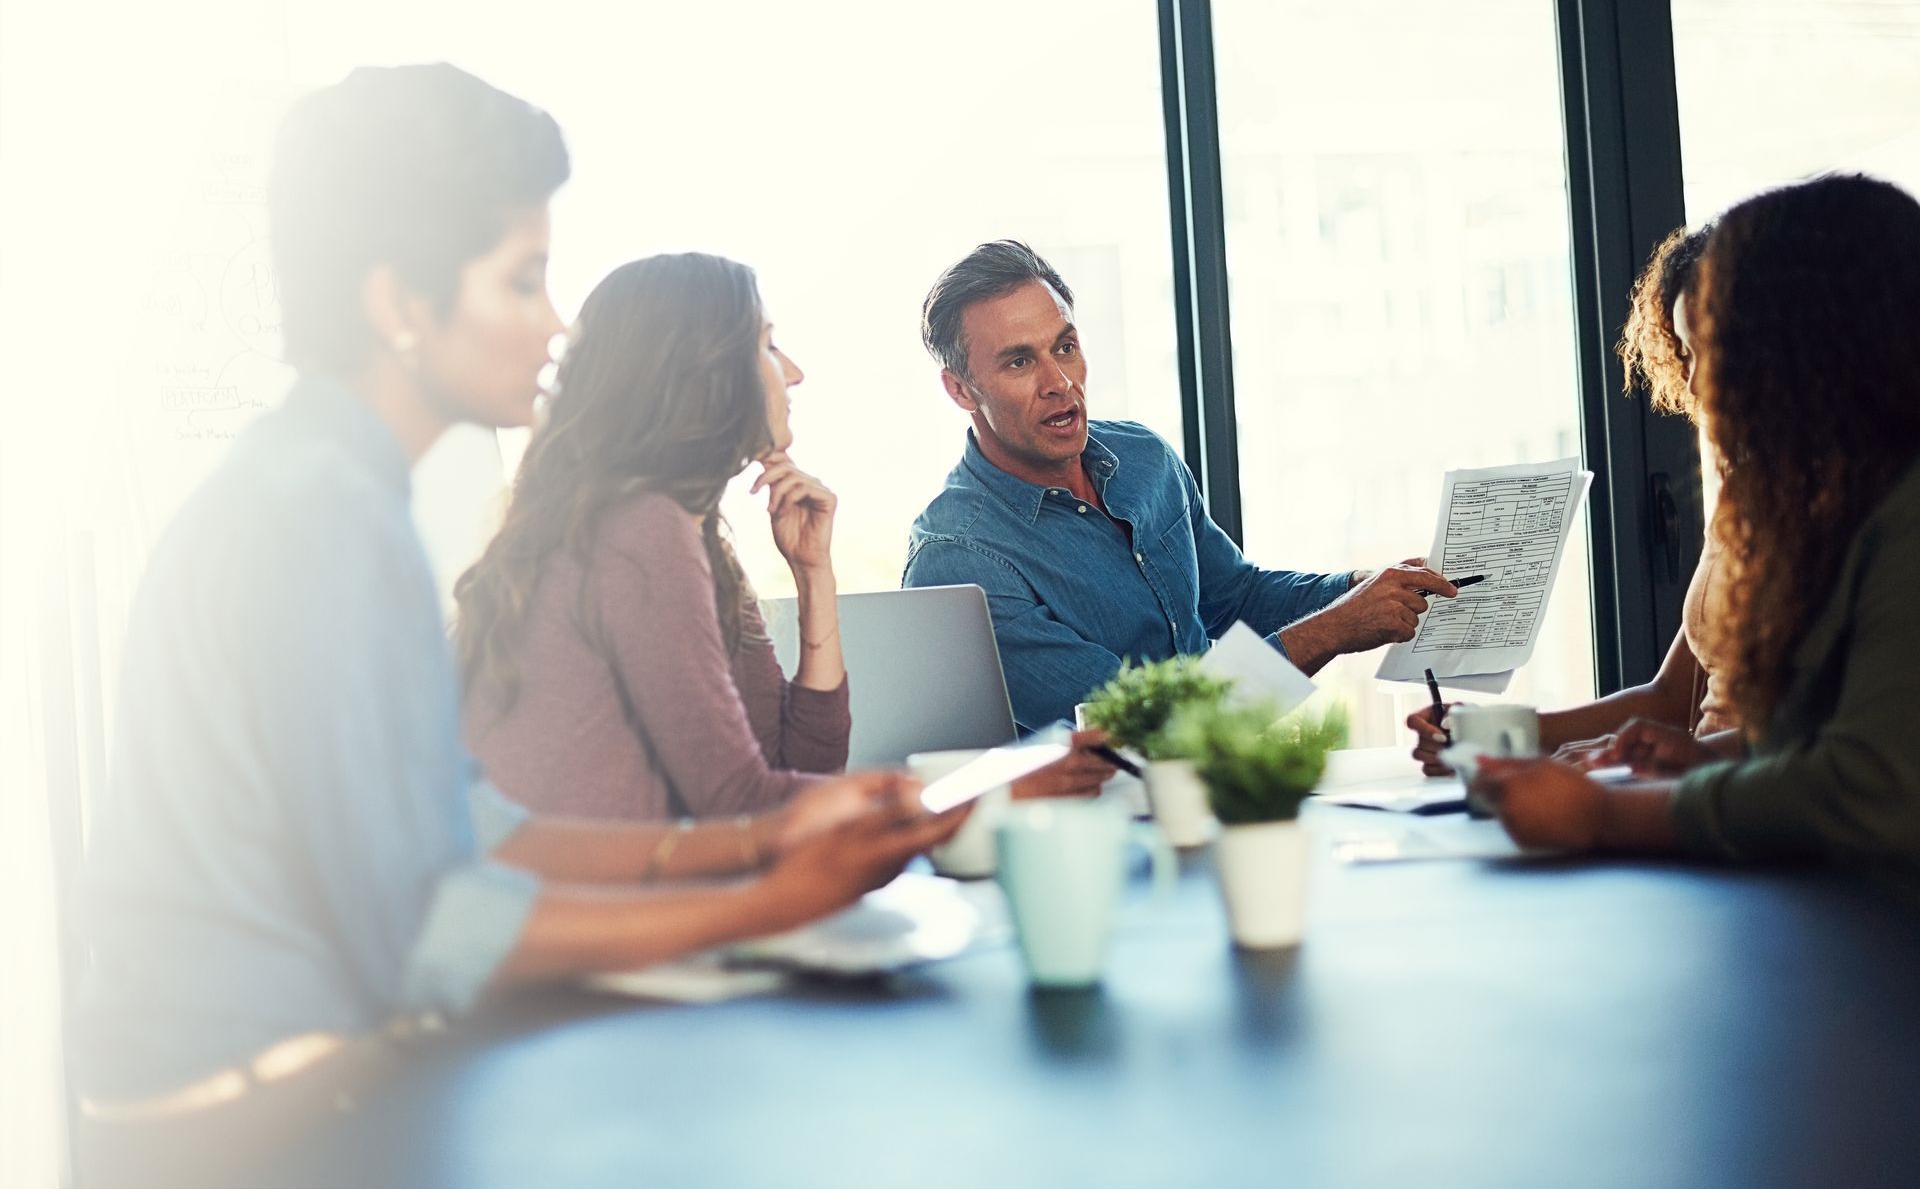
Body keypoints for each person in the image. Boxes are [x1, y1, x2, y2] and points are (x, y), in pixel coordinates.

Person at [74, 65, 967, 1189]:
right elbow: (425, 932)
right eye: (522, 279)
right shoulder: (323, 521)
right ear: (400, 303)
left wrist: (759, 841)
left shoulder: (325, 487)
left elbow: (466, 821)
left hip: (285, 1071)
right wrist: (756, 899)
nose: (555, 323)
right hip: (252, 1111)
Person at [455, 253, 1113, 821]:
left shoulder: (694, 537)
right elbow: (746, 811)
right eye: (767, 345)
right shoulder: (641, 533)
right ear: (700, 375)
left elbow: (800, 767)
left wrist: (813, 580)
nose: (793, 372)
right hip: (608, 938)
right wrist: (983, 793)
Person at [1471, 174, 1920, 903]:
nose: (1706, 383)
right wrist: (1713, 755)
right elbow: (1821, 730)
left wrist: (1606, 813)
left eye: (1725, 346)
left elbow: (1870, 785)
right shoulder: (1840, 498)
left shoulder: (1902, 515)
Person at [902, 239, 1452, 731]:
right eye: (1020, 361)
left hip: (1221, 790)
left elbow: (1234, 597)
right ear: (961, 391)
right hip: (1098, 828)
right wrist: (1335, 629)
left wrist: (1364, 587)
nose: (1060, 382)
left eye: (1065, 347)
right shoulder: (956, 560)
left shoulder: (1142, 457)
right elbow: (1144, 725)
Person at [1406, 223, 1744, 773]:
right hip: (1701, 801)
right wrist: (1488, 731)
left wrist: (1596, 777)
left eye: (1713, 348)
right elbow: (1667, 703)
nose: (1696, 383)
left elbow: (1803, 745)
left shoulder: (1858, 503)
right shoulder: (1742, 488)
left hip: (1743, 808)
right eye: (1685, 352)